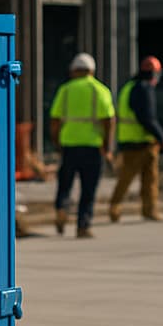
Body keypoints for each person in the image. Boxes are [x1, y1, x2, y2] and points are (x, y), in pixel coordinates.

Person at [49, 53, 114, 239]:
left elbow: (54, 120)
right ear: (91, 71)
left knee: (65, 184)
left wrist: (56, 142)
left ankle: (61, 208)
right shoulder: (100, 90)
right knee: (88, 189)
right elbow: (109, 120)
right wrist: (107, 146)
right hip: (93, 147)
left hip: (69, 144)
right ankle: (83, 226)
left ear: (73, 71)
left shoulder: (66, 89)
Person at [109, 56, 163, 222]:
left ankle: (147, 210)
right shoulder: (144, 89)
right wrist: (162, 136)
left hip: (131, 140)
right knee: (138, 179)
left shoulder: (129, 87)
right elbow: (147, 117)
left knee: (141, 178)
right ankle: (122, 208)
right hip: (140, 141)